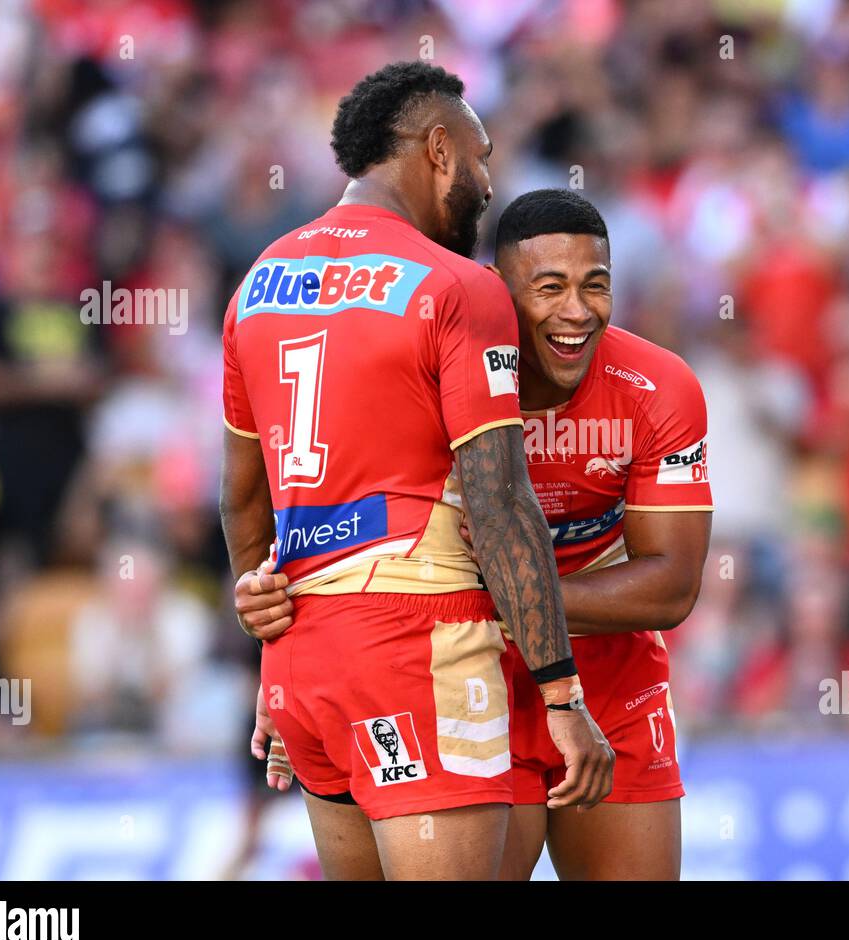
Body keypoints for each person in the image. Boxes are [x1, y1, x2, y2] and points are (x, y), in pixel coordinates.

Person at [244, 189, 713, 879]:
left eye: (596, 286)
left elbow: (671, 586)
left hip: (611, 682)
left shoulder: (659, 385)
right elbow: (333, 530)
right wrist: (275, 623)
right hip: (470, 679)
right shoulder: (435, 375)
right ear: (496, 289)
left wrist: (511, 594)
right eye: (549, 287)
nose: (577, 311)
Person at [220, 63, 613, 881]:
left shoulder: (257, 284)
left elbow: (243, 499)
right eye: (480, 157)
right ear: (439, 151)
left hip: (305, 662)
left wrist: (267, 649)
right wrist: (563, 696)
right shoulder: (457, 287)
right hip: (417, 640)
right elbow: (503, 505)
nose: (488, 181)